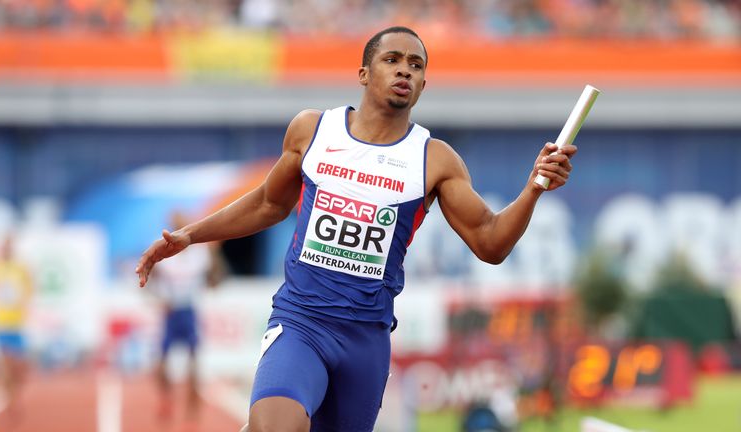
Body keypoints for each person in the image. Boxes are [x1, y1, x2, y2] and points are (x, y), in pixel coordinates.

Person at [136, 26, 577, 432]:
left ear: (423, 85)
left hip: (365, 341)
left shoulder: (434, 160)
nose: (405, 68)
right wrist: (191, 235)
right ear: (364, 73)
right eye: (392, 59)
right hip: (301, 322)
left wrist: (534, 188)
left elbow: (491, 242)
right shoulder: (313, 130)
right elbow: (270, 203)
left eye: (416, 64)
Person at [145, 210, 222, 422]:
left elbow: (214, 276)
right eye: (173, 223)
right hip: (170, 311)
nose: (177, 226)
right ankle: (165, 398)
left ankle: (193, 403)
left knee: (194, 359)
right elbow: (150, 279)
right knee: (161, 360)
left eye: (180, 222)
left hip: (189, 310)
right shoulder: (163, 251)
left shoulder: (199, 251)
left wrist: (215, 262)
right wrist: (158, 297)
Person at [0, 233, 33, 422]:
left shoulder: (21, 268)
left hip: (17, 325)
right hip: (0, 324)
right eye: (5, 245)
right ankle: (10, 403)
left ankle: (13, 393)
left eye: (10, 245)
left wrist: (24, 303)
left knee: (20, 371)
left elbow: (29, 287)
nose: (7, 248)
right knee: (5, 367)